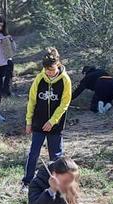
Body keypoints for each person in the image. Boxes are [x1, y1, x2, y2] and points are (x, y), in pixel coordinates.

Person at [23, 48, 73, 186]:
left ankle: (58, 184)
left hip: (55, 125)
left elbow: (65, 103)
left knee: (56, 156)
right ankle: (27, 182)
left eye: (52, 70)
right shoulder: (39, 79)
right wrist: (29, 122)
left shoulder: (65, 80)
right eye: (47, 70)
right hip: (38, 122)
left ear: (58, 64)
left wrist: (52, 121)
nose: (49, 73)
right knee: (33, 153)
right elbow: (32, 101)